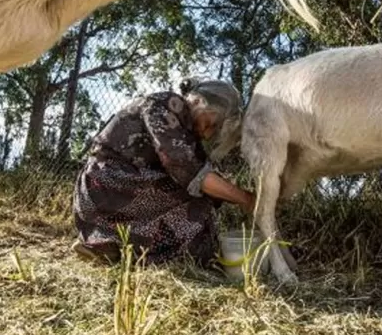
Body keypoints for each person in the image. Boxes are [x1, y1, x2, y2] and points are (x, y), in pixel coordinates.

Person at [72, 76, 254, 268]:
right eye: (211, 124)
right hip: (105, 184)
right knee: (197, 195)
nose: (209, 134)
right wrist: (246, 199)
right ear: (200, 102)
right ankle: (120, 246)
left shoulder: (188, 133)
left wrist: (234, 196)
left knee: (204, 198)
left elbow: (207, 176)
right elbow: (190, 171)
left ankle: (110, 246)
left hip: (120, 188)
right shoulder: (165, 105)